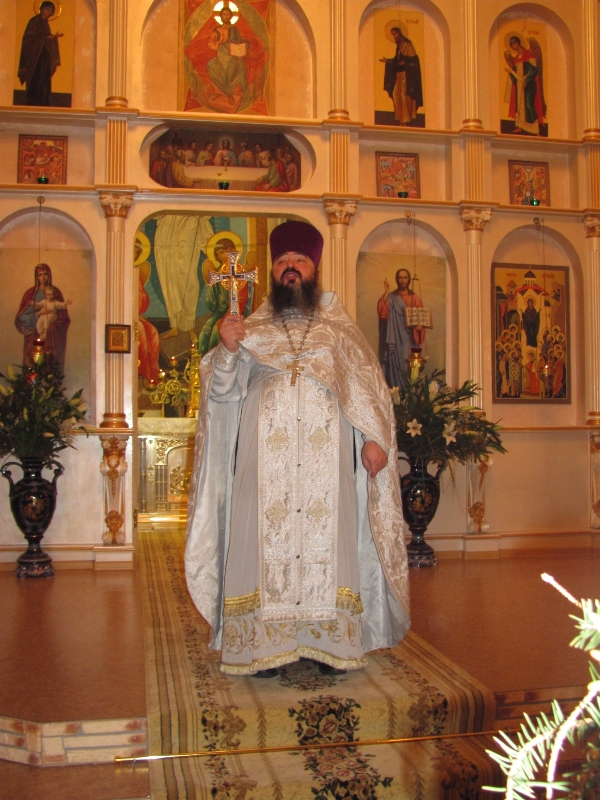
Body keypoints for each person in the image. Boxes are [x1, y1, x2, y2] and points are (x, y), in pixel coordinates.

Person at [185, 220, 409, 676]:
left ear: (314, 268)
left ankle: (326, 643)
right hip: (262, 461)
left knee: (329, 540)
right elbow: (222, 395)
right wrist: (227, 351)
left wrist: (373, 437)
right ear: (272, 270)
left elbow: (365, 388)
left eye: (299, 260)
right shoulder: (248, 327)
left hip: (328, 463)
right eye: (283, 261)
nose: (291, 267)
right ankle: (263, 646)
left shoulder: (337, 329)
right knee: (261, 542)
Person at [15, 263, 70, 374]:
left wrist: (52, 325)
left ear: (49, 275)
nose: (43, 277)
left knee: (49, 366)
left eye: (45, 274)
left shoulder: (55, 292)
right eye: (40, 274)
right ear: (36, 276)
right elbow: (22, 317)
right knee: (32, 367)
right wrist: (39, 314)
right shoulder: (30, 293)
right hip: (34, 335)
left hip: (51, 336)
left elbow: (63, 317)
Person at [377, 269, 425, 389]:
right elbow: (383, 314)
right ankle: (396, 392)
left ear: (409, 280)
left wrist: (419, 326)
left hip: (408, 339)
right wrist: (386, 293)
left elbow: (421, 319)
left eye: (405, 277)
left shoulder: (414, 298)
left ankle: (408, 393)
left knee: (406, 364)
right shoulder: (391, 297)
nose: (403, 280)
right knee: (395, 364)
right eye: (400, 278)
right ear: (396, 280)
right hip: (394, 337)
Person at [17, 1, 63, 107]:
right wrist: (45, 38)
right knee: (36, 79)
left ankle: (44, 100)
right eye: (49, 11)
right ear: (43, 10)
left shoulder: (44, 23)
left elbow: (45, 37)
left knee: (44, 79)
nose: (50, 14)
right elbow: (28, 39)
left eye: (51, 12)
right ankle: (34, 101)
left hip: (43, 56)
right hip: (35, 58)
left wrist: (52, 38)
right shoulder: (34, 22)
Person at [380, 26, 423, 125]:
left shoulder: (408, 44)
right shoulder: (398, 47)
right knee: (395, 94)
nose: (394, 36)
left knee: (404, 96)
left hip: (407, 75)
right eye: (393, 35)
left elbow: (414, 59)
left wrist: (405, 62)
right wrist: (387, 61)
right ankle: (400, 119)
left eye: (395, 34)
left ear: (399, 33)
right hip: (399, 74)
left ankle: (406, 120)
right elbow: (396, 60)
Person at [504, 35, 545, 136]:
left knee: (529, 105)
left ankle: (536, 129)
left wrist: (526, 80)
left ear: (518, 43)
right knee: (519, 107)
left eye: (514, 44)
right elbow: (515, 76)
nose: (514, 46)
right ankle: (520, 126)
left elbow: (533, 71)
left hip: (529, 84)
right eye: (511, 45)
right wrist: (510, 73)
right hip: (519, 86)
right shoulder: (515, 59)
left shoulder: (529, 54)